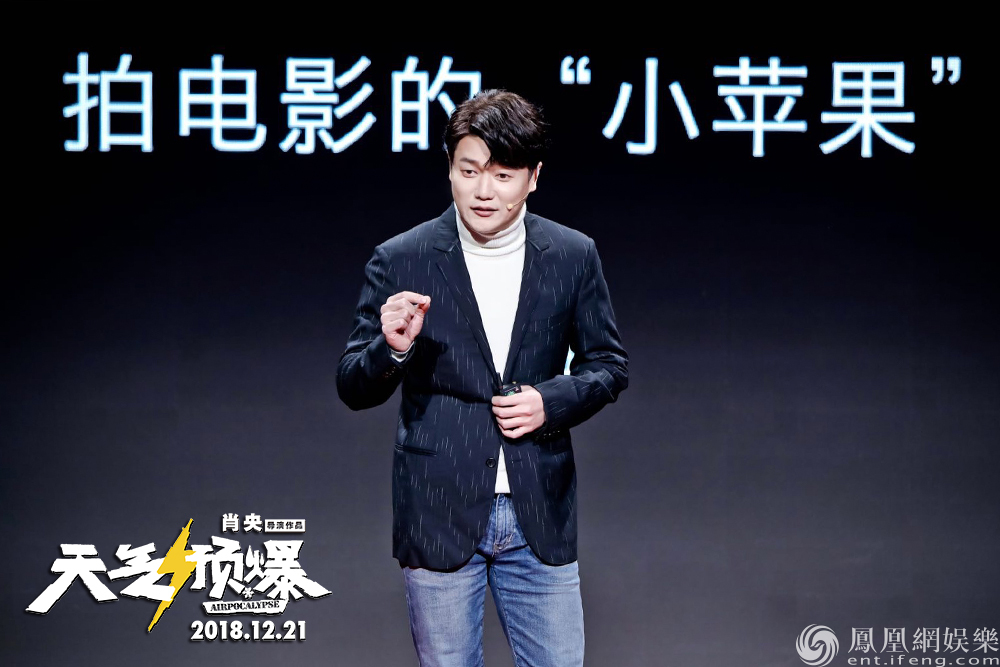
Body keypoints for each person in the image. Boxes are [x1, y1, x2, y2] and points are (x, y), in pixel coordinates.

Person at [337, 89, 628, 667]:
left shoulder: (572, 255)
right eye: (469, 171)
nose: (484, 190)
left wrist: (549, 401)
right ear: (450, 168)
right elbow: (353, 384)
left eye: (503, 174)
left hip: (538, 510)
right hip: (438, 509)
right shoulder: (403, 258)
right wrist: (392, 349)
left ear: (533, 177)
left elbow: (608, 365)